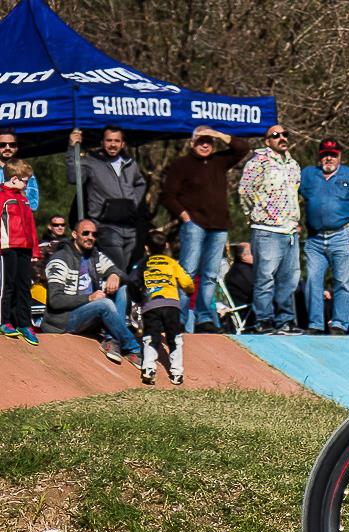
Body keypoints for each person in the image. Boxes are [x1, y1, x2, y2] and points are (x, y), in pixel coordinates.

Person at [159, 125, 250, 333]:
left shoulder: (219, 161)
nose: (205, 144)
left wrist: (218, 133)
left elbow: (242, 148)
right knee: (187, 272)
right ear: (192, 143)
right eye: (201, 141)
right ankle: (180, 318)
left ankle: (204, 319)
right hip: (195, 226)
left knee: (210, 275)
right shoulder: (182, 165)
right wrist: (185, 217)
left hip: (219, 226)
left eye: (209, 141)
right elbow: (167, 195)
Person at [42, 219, 142, 367]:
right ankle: (134, 348)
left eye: (94, 234)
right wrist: (89, 298)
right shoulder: (60, 260)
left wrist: (115, 275)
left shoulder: (94, 255)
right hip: (65, 319)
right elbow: (55, 301)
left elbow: (119, 272)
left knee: (122, 289)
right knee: (105, 304)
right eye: (86, 233)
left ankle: (112, 341)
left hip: (89, 314)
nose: (90, 237)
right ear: (75, 235)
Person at [299, 138, 349, 335]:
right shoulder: (308, 174)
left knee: (342, 281)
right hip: (315, 238)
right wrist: (293, 219)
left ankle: (339, 324)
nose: (328, 158)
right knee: (313, 281)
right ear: (320, 156)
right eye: (325, 154)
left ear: (340, 156)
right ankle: (315, 324)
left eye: (333, 154)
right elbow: (290, 194)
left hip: (344, 235)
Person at [238, 124, 302, 334]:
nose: (281, 138)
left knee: (289, 279)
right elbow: (245, 192)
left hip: (290, 231)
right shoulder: (258, 162)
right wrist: (255, 214)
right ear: (267, 141)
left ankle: (285, 320)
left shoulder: (293, 164)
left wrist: (293, 220)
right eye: (275, 135)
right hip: (266, 229)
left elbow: (295, 194)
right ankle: (263, 321)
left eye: (285, 134)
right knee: (265, 277)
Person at [67, 126, 147, 271]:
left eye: (117, 141)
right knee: (117, 269)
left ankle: (114, 293)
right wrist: (72, 148)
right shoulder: (91, 161)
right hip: (105, 226)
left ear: (123, 144)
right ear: (102, 142)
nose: (113, 144)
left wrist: (133, 203)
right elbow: (74, 178)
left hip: (129, 227)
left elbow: (140, 183)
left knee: (124, 269)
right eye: (109, 140)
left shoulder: (130, 163)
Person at [131, 232, 194, 385]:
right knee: (175, 338)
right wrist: (189, 290)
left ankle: (148, 369)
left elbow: (132, 281)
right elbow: (186, 282)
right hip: (171, 305)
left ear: (146, 248)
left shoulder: (142, 263)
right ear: (166, 246)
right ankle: (177, 373)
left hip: (151, 305)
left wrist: (139, 299)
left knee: (151, 337)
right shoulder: (172, 262)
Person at [0, 160, 39, 345]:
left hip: (25, 247)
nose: (27, 184)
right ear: (14, 179)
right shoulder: (2, 197)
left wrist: (35, 250)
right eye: (25, 180)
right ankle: (4, 321)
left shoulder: (24, 199)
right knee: (8, 285)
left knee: (24, 286)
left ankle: (24, 323)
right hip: (7, 247)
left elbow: (31, 226)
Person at [0, 128, 39, 211]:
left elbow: (33, 205)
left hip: (18, 221)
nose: (7, 148)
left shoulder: (26, 171)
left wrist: (20, 191)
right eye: (2, 145)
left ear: (16, 148)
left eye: (12, 145)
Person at [223, 242, 256, 329]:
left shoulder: (241, 269)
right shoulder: (241, 272)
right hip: (247, 311)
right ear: (243, 256)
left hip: (249, 308)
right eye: (253, 252)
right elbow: (254, 290)